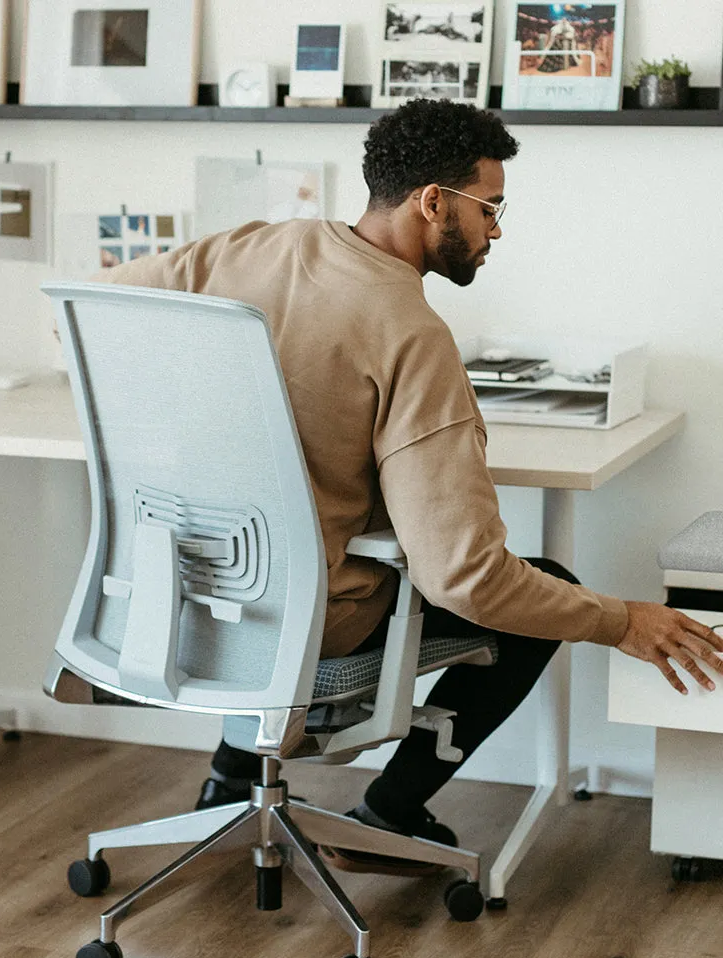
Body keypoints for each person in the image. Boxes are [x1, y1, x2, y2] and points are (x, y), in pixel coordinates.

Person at [89, 99, 723, 874]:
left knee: (302, 572)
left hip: (177, 599)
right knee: (544, 594)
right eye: (490, 208)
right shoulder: (411, 336)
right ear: (433, 202)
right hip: (307, 622)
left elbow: (86, 310)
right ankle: (389, 814)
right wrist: (621, 621)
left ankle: (229, 782)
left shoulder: (253, 247)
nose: (496, 232)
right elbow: (468, 580)